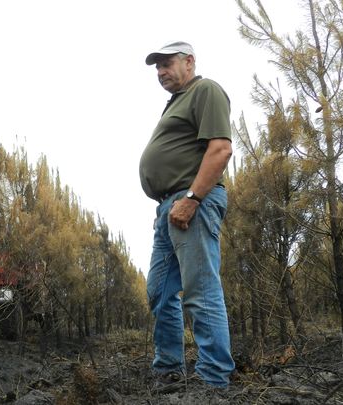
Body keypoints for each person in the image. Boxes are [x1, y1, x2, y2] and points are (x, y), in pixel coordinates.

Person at [139, 41, 235, 389]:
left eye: (167, 64)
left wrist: (192, 199)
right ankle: (168, 370)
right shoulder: (176, 103)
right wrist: (169, 203)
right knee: (160, 292)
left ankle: (213, 382)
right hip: (170, 207)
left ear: (189, 61)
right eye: (157, 68)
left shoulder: (204, 90)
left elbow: (221, 148)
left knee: (201, 289)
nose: (161, 72)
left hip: (191, 203)